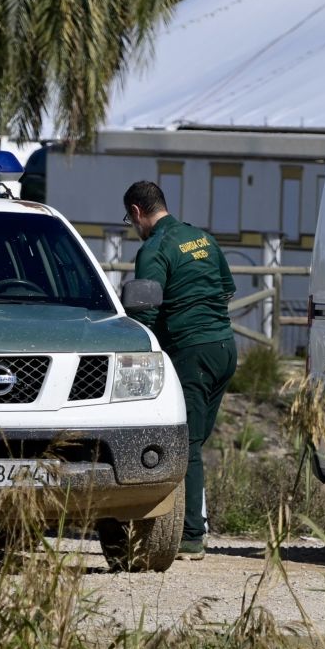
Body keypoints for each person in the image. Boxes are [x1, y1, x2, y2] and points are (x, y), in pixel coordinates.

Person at [123, 181, 237, 560]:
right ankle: (193, 521)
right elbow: (226, 290)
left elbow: (145, 312)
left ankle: (190, 535)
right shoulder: (202, 239)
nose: (133, 226)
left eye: (130, 219)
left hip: (191, 353)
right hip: (224, 349)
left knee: (186, 445)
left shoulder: (153, 249)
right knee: (196, 442)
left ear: (138, 212)